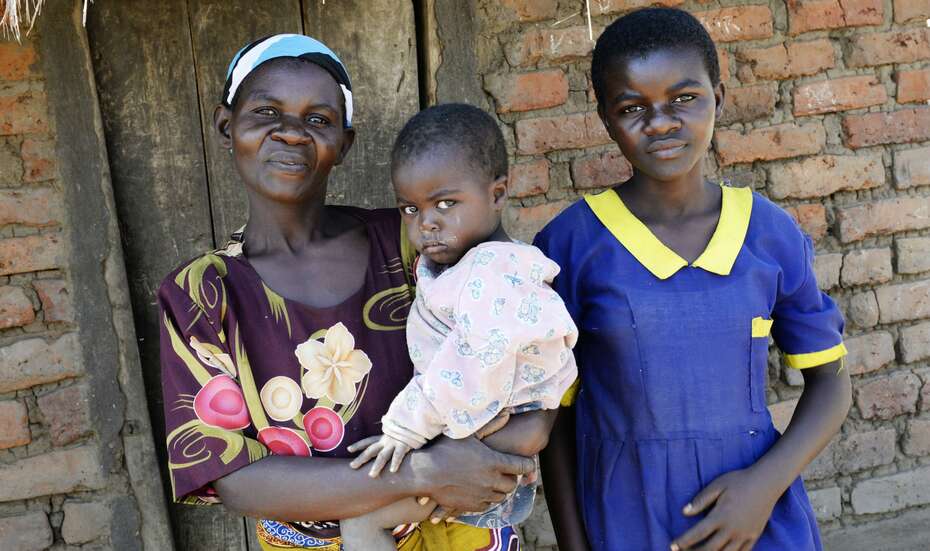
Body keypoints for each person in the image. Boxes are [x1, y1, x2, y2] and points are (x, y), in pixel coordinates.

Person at [158, 34, 548, 551]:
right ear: (227, 126)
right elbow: (231, 475)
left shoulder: (413, 241)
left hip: (464, 532)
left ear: (345, 143)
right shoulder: (203, 295)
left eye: (318, 120)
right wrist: (420, 473)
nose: (292, 134)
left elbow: (520, 335)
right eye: (267, 113)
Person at [535, 8, 852, 551]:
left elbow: (832, 383)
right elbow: (553, 423)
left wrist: (762, 487)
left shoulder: (768, 234)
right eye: (633, 107)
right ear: (606, 119)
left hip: (757, 518)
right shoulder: (570, 246)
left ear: (719, 97)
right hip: (627, 516)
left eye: (685, 98)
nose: (660, 122)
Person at [341, 104, 579, 549]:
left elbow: (468, 367)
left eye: (446, 203)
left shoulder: (493, 271)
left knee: (361, 522)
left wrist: (405, 429)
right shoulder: (465, 265)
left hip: (494, 432)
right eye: (410, 208)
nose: (426, 223)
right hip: (486, 429)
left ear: (498, 193)